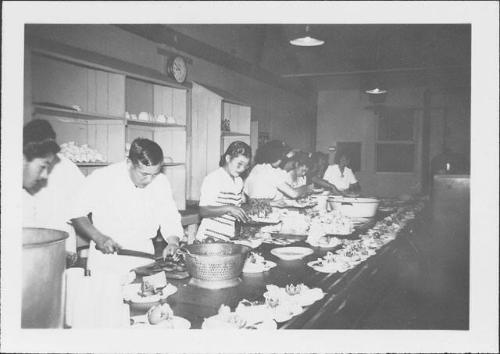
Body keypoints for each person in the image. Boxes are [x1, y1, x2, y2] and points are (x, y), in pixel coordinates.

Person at [71, 138, 183, 278]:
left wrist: (173, 241)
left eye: (154, 174)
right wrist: (98, 237)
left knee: (145, 297)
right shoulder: (102, 178)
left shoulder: (160, 181)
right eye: (144, 174)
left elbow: (169, 215)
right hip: (109, 258)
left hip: (144, 258)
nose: (149, 180)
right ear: (129, 163)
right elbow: (76, 212)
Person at [23, 119, 85, 260]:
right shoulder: (19, 189)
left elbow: (83, 204)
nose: (44, 175)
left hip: (61, 246)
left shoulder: (66, 166)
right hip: (33, 253)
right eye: (42, 166)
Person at [196, 141, 251, 242]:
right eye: (239, 164)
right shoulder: (214, 178)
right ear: (228, 158)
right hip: (208, 237)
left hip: (226, 237)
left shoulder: (238, 181)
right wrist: (229, 208)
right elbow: (203, 211)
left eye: (245, 166)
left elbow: (235, 207)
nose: (242, 169)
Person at [244, 140, 312, 201]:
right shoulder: (271, 172)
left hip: (256, 208)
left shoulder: (258, 167)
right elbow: (294, 193)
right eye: (282, 157)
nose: (283, 160)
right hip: (261, 210)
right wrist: (307, 188)